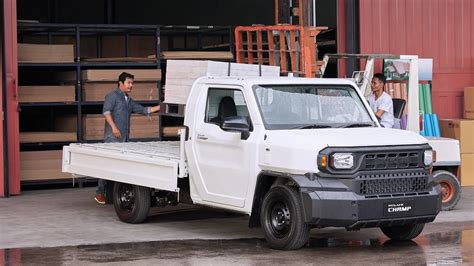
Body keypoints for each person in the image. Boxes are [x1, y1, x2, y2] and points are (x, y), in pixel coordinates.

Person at [94, 72, 160, 204]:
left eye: (132, 83)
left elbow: (143, 110)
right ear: (120, 83)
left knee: (118, 167)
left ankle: (112, 195)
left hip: (124, 139)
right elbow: (106, 112)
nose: (131, 86)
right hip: (112, 138)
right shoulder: (112, 96)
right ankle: (99, 193)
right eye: (129, 83)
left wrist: (161, 107)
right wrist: (113, 127)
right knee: (107, 166)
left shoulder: (128, 100)